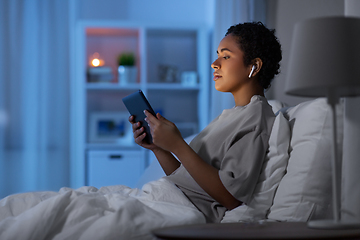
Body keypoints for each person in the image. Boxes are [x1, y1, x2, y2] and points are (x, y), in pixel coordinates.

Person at [129, 21, 282, 223]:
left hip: (182, 212)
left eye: (226, 56)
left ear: (254, 66)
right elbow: (187, 182)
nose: (215, 63)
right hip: (169, 199)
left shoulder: (256, 119)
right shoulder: (231, 116)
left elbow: (231, 197)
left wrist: (177, 144)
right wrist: (159, 148)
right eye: (218, 54)